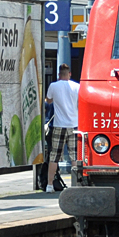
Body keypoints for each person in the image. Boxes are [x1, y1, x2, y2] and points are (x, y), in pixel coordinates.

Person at [44, 64, 80, 193]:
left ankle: (49, 185)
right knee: (74, 157)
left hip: (59, 125)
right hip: (74, 125)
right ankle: (76, 185)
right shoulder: (77, 87)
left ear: (59, 75)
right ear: (69, 74)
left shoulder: (54, 86)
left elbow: (48, 101)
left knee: (54, 156)